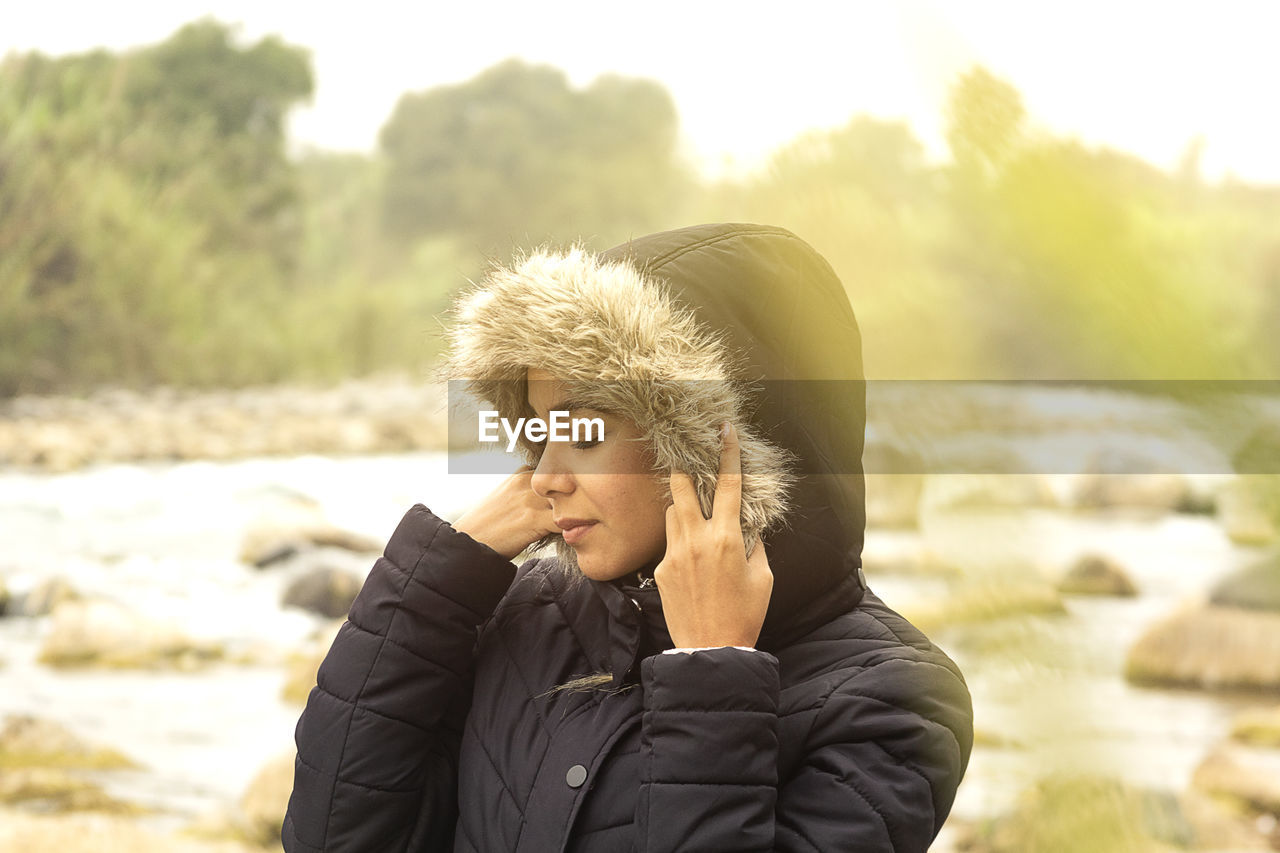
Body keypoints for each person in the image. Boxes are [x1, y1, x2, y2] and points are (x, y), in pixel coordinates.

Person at [282, 223, 973, 852]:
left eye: (582, 429)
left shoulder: (896, 702)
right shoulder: (529, 611)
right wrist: (434, 584)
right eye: (540, 430)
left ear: (715, 442)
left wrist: (714, 670)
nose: (544, 474)